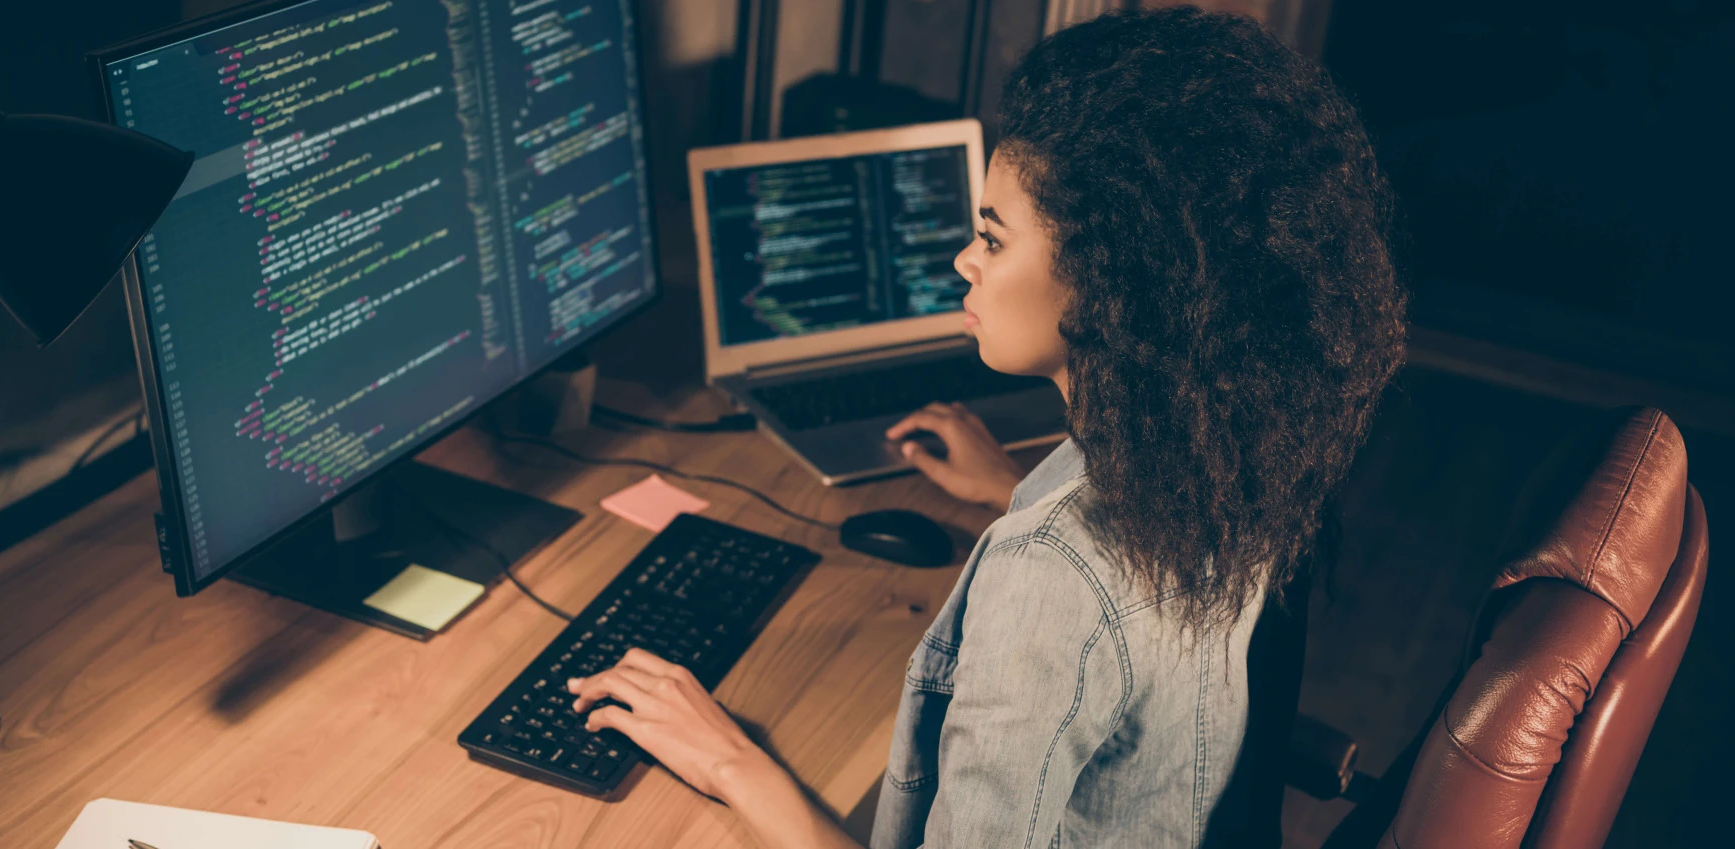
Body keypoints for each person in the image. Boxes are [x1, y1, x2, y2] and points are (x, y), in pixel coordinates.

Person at [565, 7, 1406, 847]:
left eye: (992, 238)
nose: (965, 262)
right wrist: (1014, 489)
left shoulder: (1050, 574)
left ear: (1113, 281)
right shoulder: (1229, 461)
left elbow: (1078, 598)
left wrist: (730, 762)